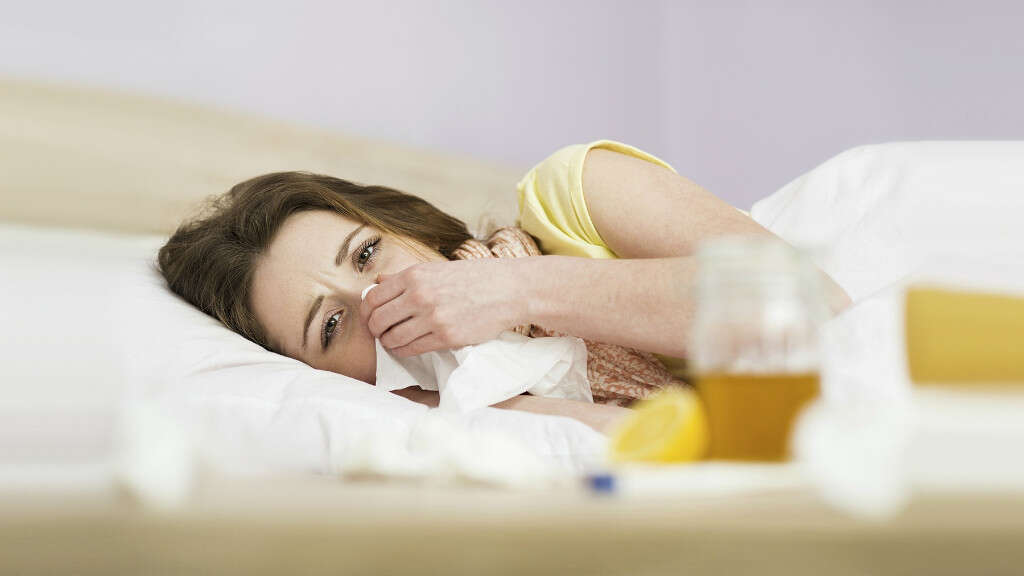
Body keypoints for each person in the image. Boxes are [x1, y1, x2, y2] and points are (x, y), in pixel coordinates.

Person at [158, 140, 850, 433]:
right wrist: (486, 401)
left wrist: (520, 289)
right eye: (331, 326)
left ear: (401, 224)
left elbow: (811, 307)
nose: (376, 297)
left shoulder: (574, 193)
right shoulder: (441, 423)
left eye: (367, 253)